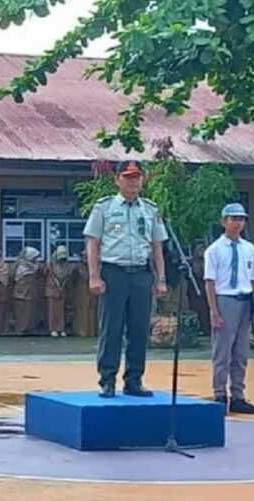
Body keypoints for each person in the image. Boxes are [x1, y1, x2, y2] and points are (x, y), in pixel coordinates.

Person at [83, 160, 168, 398]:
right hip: (114, 273)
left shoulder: (150, 209)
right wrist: (94, 276)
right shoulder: (105, 207)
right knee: (112, 329)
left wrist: (160, 279)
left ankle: (134, 380)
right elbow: (93, 243)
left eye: (137, 177)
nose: (134, 181)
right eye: (128, 177)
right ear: (117, 179)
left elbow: (157, 246)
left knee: (140, 329)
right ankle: (107, 380)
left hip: (141, 273)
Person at [203, 203, 254, 415]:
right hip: (225, 299)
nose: (238, 223)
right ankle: (220, 393)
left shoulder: (249, 248)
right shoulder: (214, 250)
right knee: (222, 351)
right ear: (224, 222)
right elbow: (210, 282)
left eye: (241, 219)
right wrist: (214, 310)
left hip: (244, 299)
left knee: (241, 352)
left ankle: (238, 395)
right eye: (233, 219)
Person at [46, 245, 77, 337]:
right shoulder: (50, 265)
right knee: (53, 310)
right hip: (52, 290)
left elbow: (68, 276)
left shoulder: (67, 265)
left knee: (62, 311)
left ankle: (61, 328)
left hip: (63, 290)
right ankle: (53, 328)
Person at [12, 247, 44, 335]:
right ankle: (20, 329)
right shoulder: (19, 264)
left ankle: (29, 329)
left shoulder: (36, 266)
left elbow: (40, 274)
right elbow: (12, 275)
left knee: (31, 311)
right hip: (20, 291)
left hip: (31, 291)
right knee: (20, 310)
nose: (35, 258)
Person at [72, 249, 99, 338]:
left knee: (93, 310)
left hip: (93, 292)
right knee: (81, 311)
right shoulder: (77, 267)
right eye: (84, 257)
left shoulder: (96, 267)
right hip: (81, 292)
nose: (86, 259)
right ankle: (81, 331)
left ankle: (93, 331)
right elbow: (73, 280)